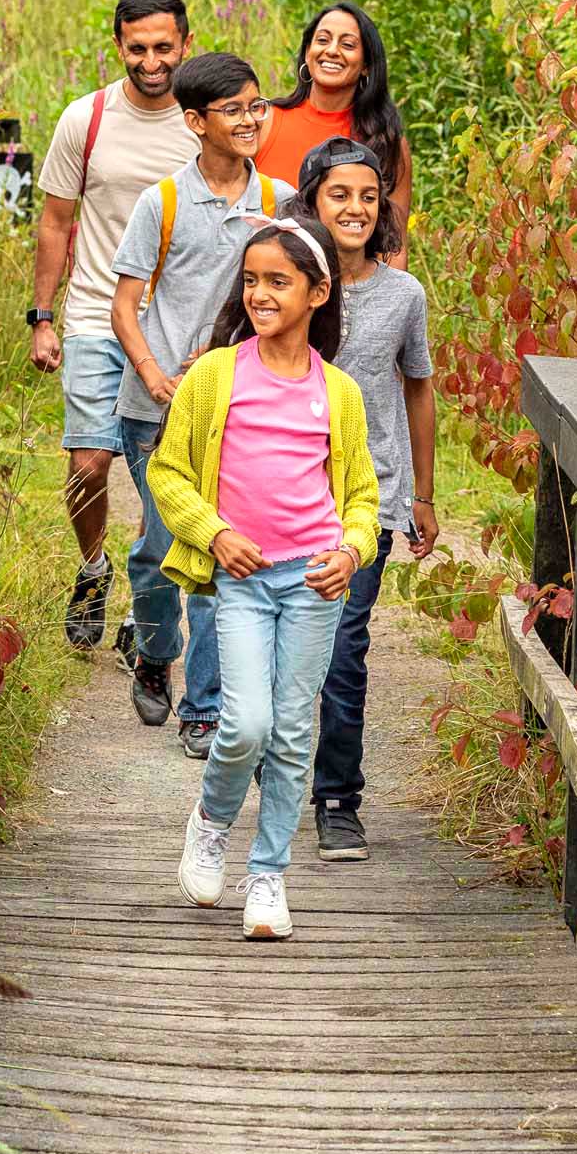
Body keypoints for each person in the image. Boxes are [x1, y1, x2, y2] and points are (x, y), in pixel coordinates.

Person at [147, 217, 381, 938]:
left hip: (312, 584)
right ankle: (213, 821)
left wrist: (352, 549)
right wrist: (214, 532)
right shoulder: (216, 375)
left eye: (278, 281)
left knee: (289, 731)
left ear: (318, 291)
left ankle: (269, 874)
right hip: (243, 582)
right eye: (251, 279)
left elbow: (362, 497)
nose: (259, 292)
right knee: (245, 721)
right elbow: (167, 471)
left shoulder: (338, 392)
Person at [109, 52, 294, 756]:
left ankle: (205, 706)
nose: (250, 120)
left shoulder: (276, 201)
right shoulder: (164, 202)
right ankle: (156, 647)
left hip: (236, 410)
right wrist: (156, 375)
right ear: (194, 121)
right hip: (154, 411)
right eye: (233, 110)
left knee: (213, 555)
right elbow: (124, 305)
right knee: (162, 551)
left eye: (257, 106)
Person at [28, 0, 200, 660]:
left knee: (163, 476)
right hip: (97, 317)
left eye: (164, 47)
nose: (152, 61)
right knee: (90, 463)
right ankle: (93, 566)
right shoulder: (87, 119)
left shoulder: (203, 121)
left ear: (186, 43)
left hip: (174, 329)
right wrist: (42, 318)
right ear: (118, 45)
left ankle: (146, 596)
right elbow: (55, 221)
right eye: (138, 48)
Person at [293, 137, 437, 862]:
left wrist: (424, 495)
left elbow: (417, 386)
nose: (354, 208)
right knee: (291, 649)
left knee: (345, 647)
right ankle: (273, 768)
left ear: (382, 208)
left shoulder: (404, 295)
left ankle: (338, 796)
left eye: (368, 196)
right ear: (313, 199)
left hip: (367, 500)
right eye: (339, 194)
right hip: (280, 494)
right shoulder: (282, 278)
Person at [252, 1, 413, 253]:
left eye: (347, 45)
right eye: (323, 40)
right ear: (307, 52)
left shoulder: (384, 141)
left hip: (350, 286)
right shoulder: (264, 120)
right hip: (268, 282)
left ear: (367, 65)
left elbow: (395, 244)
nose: (332, 51)